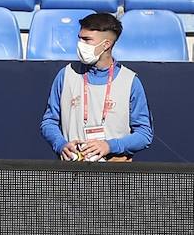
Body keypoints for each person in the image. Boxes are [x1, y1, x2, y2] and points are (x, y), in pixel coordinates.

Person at [40, 12, 153, 162]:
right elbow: (49, 122)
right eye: (79, 38)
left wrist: (109, 146)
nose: (81, 44)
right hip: (72, 174)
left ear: (106, 44)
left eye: (87, 40)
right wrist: (61, 145)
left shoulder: (130, 81)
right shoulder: (65, 75)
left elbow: (144, 134)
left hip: (114, 176)